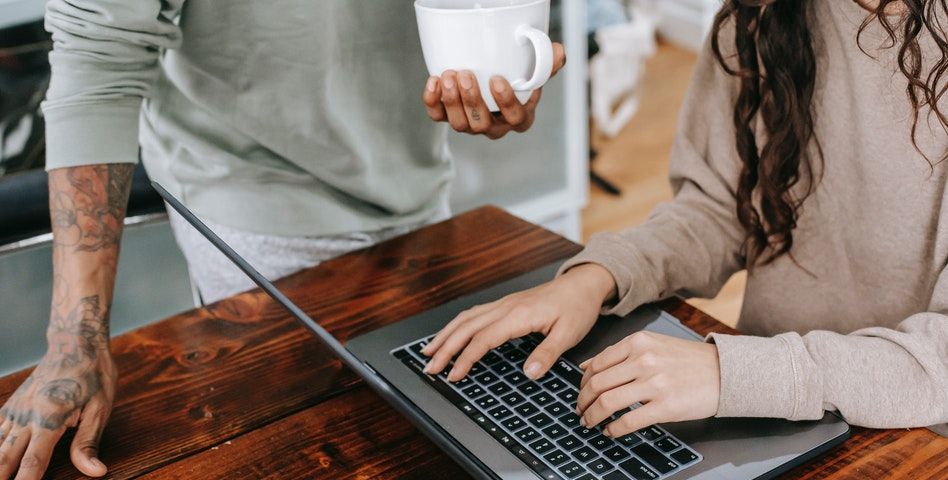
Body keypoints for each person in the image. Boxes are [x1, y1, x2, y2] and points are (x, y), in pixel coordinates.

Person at [0, 1, 566, 479]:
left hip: (411, 178)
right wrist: (73, 336)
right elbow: (98, 62)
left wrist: (505, 70)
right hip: (249, 203)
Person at [426, 0, 948, 440]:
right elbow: (720, 210)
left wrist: (732, 373)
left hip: (910, 441)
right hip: (760, 420)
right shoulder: (761, 11)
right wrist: (599, 276)